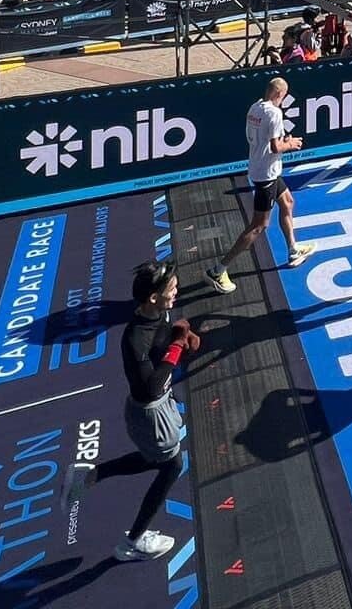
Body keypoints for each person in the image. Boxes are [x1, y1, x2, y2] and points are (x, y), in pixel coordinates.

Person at [60, 261, 194, 561]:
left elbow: (162, 344)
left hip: (159, 405)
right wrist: (177, 347)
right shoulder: (135, 340)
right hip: (151, 414)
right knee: (171, 466)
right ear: (152, 297)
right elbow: (150, 385)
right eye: (171, 289)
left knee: (157, 460)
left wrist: (175, 333)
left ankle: (88, 477)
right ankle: (132, 542)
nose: (176, 292)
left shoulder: (159, 313)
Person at [204, 77, 312, 293]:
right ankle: (218, 269)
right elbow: (274, 147)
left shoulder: (255, 107)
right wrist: (290, 143)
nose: (283, 100)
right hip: (266, 175)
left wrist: (281, 143)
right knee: (259, 225)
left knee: (288, 202)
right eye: (284, 96)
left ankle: (293, 249)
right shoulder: (274, 113)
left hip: (264, 168)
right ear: (279, 95)